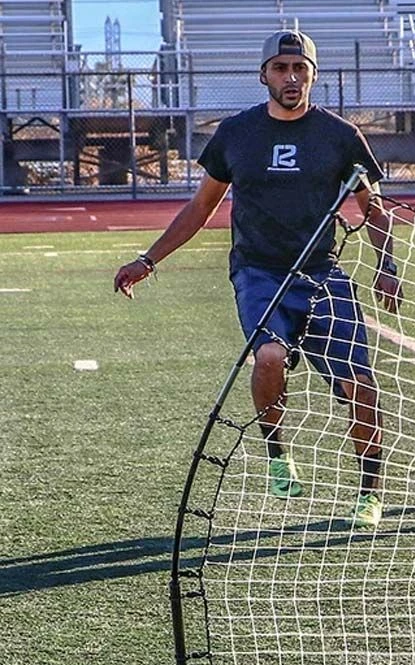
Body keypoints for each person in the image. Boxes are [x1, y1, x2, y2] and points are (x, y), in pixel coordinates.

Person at [114, 29, 399, 529]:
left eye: (301, 69)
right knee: (269, 356)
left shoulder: (339, 136)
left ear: (313, 75)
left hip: (321, 273)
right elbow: (202, 207)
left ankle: (370, 491)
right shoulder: (237, 133)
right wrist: (149, 258)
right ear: (264, 74)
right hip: (259, 272)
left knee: (360, 386)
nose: (292, 78)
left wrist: (387, 266)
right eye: (281, 69)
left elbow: (371, 208)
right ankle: (277, 455)